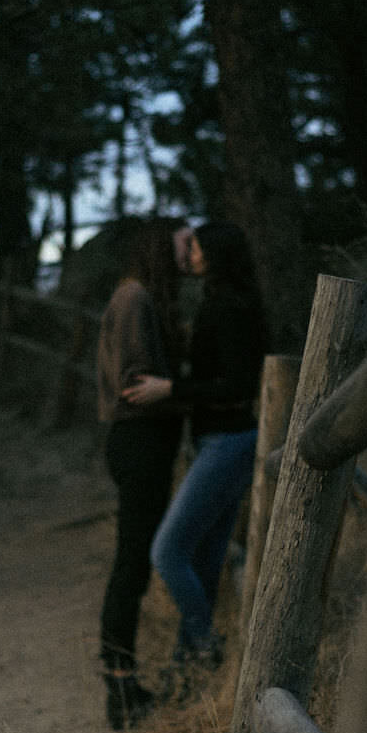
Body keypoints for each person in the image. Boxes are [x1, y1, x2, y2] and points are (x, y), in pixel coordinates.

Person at [121, 221, 269, 698]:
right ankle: (187, 678)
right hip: (218, 440)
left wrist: (172, 388)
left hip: (230, 441)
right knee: (202, 560)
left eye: (199, 247)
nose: (192, 256)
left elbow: (238, 385)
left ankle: (207, 644)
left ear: (217, 254)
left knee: (167, 551)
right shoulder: (217, 301)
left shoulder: (231, 307)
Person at [96, 218, 187, 730]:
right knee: (132, 562)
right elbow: (136, 383)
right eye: (182, 242)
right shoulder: (134, 299)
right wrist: (182, 387)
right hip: (139, 442)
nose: (188, 251)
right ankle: (120, 686)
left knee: (135, 560)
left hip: (143, 442)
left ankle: (124, 681)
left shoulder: (142, 297)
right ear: (160, 245)